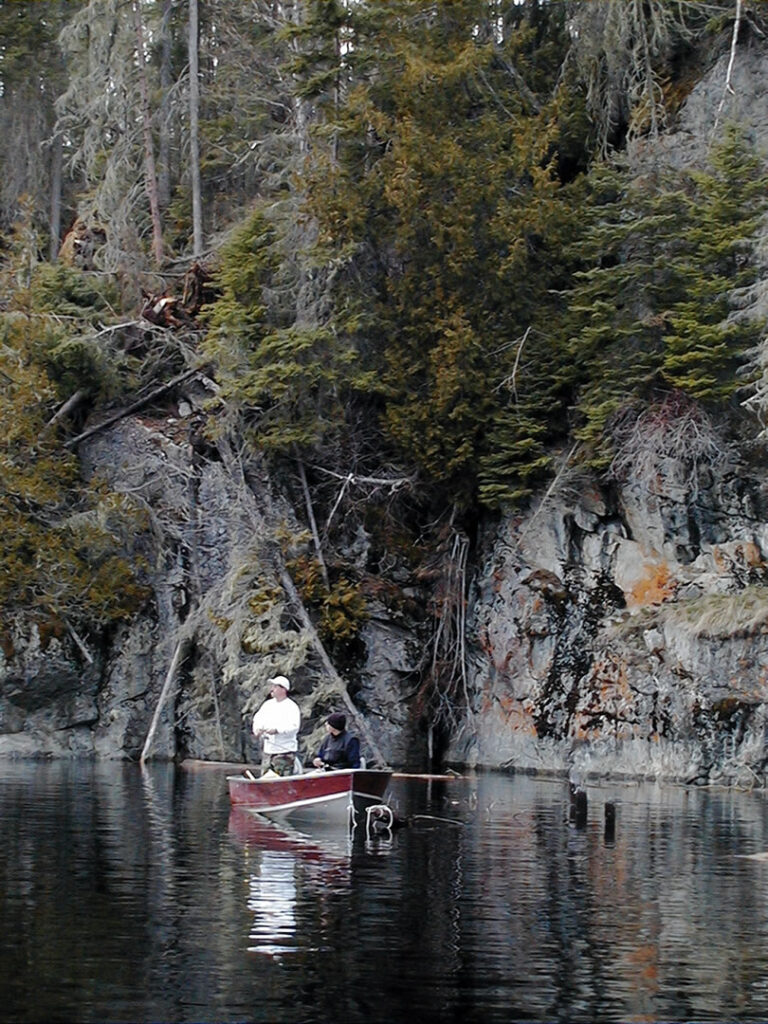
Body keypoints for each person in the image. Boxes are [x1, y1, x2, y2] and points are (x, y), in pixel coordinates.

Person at [251, 675, 301, 776]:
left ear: (283, 689)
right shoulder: (267, 705)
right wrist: (257, 730)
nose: (272, 689)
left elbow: (294, 726)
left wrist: (277, 730)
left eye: (275, 686)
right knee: (265, 781)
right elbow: (257, 719)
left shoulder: (292, 707)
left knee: (281, 782)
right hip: (268, 752)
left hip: (284, 753)